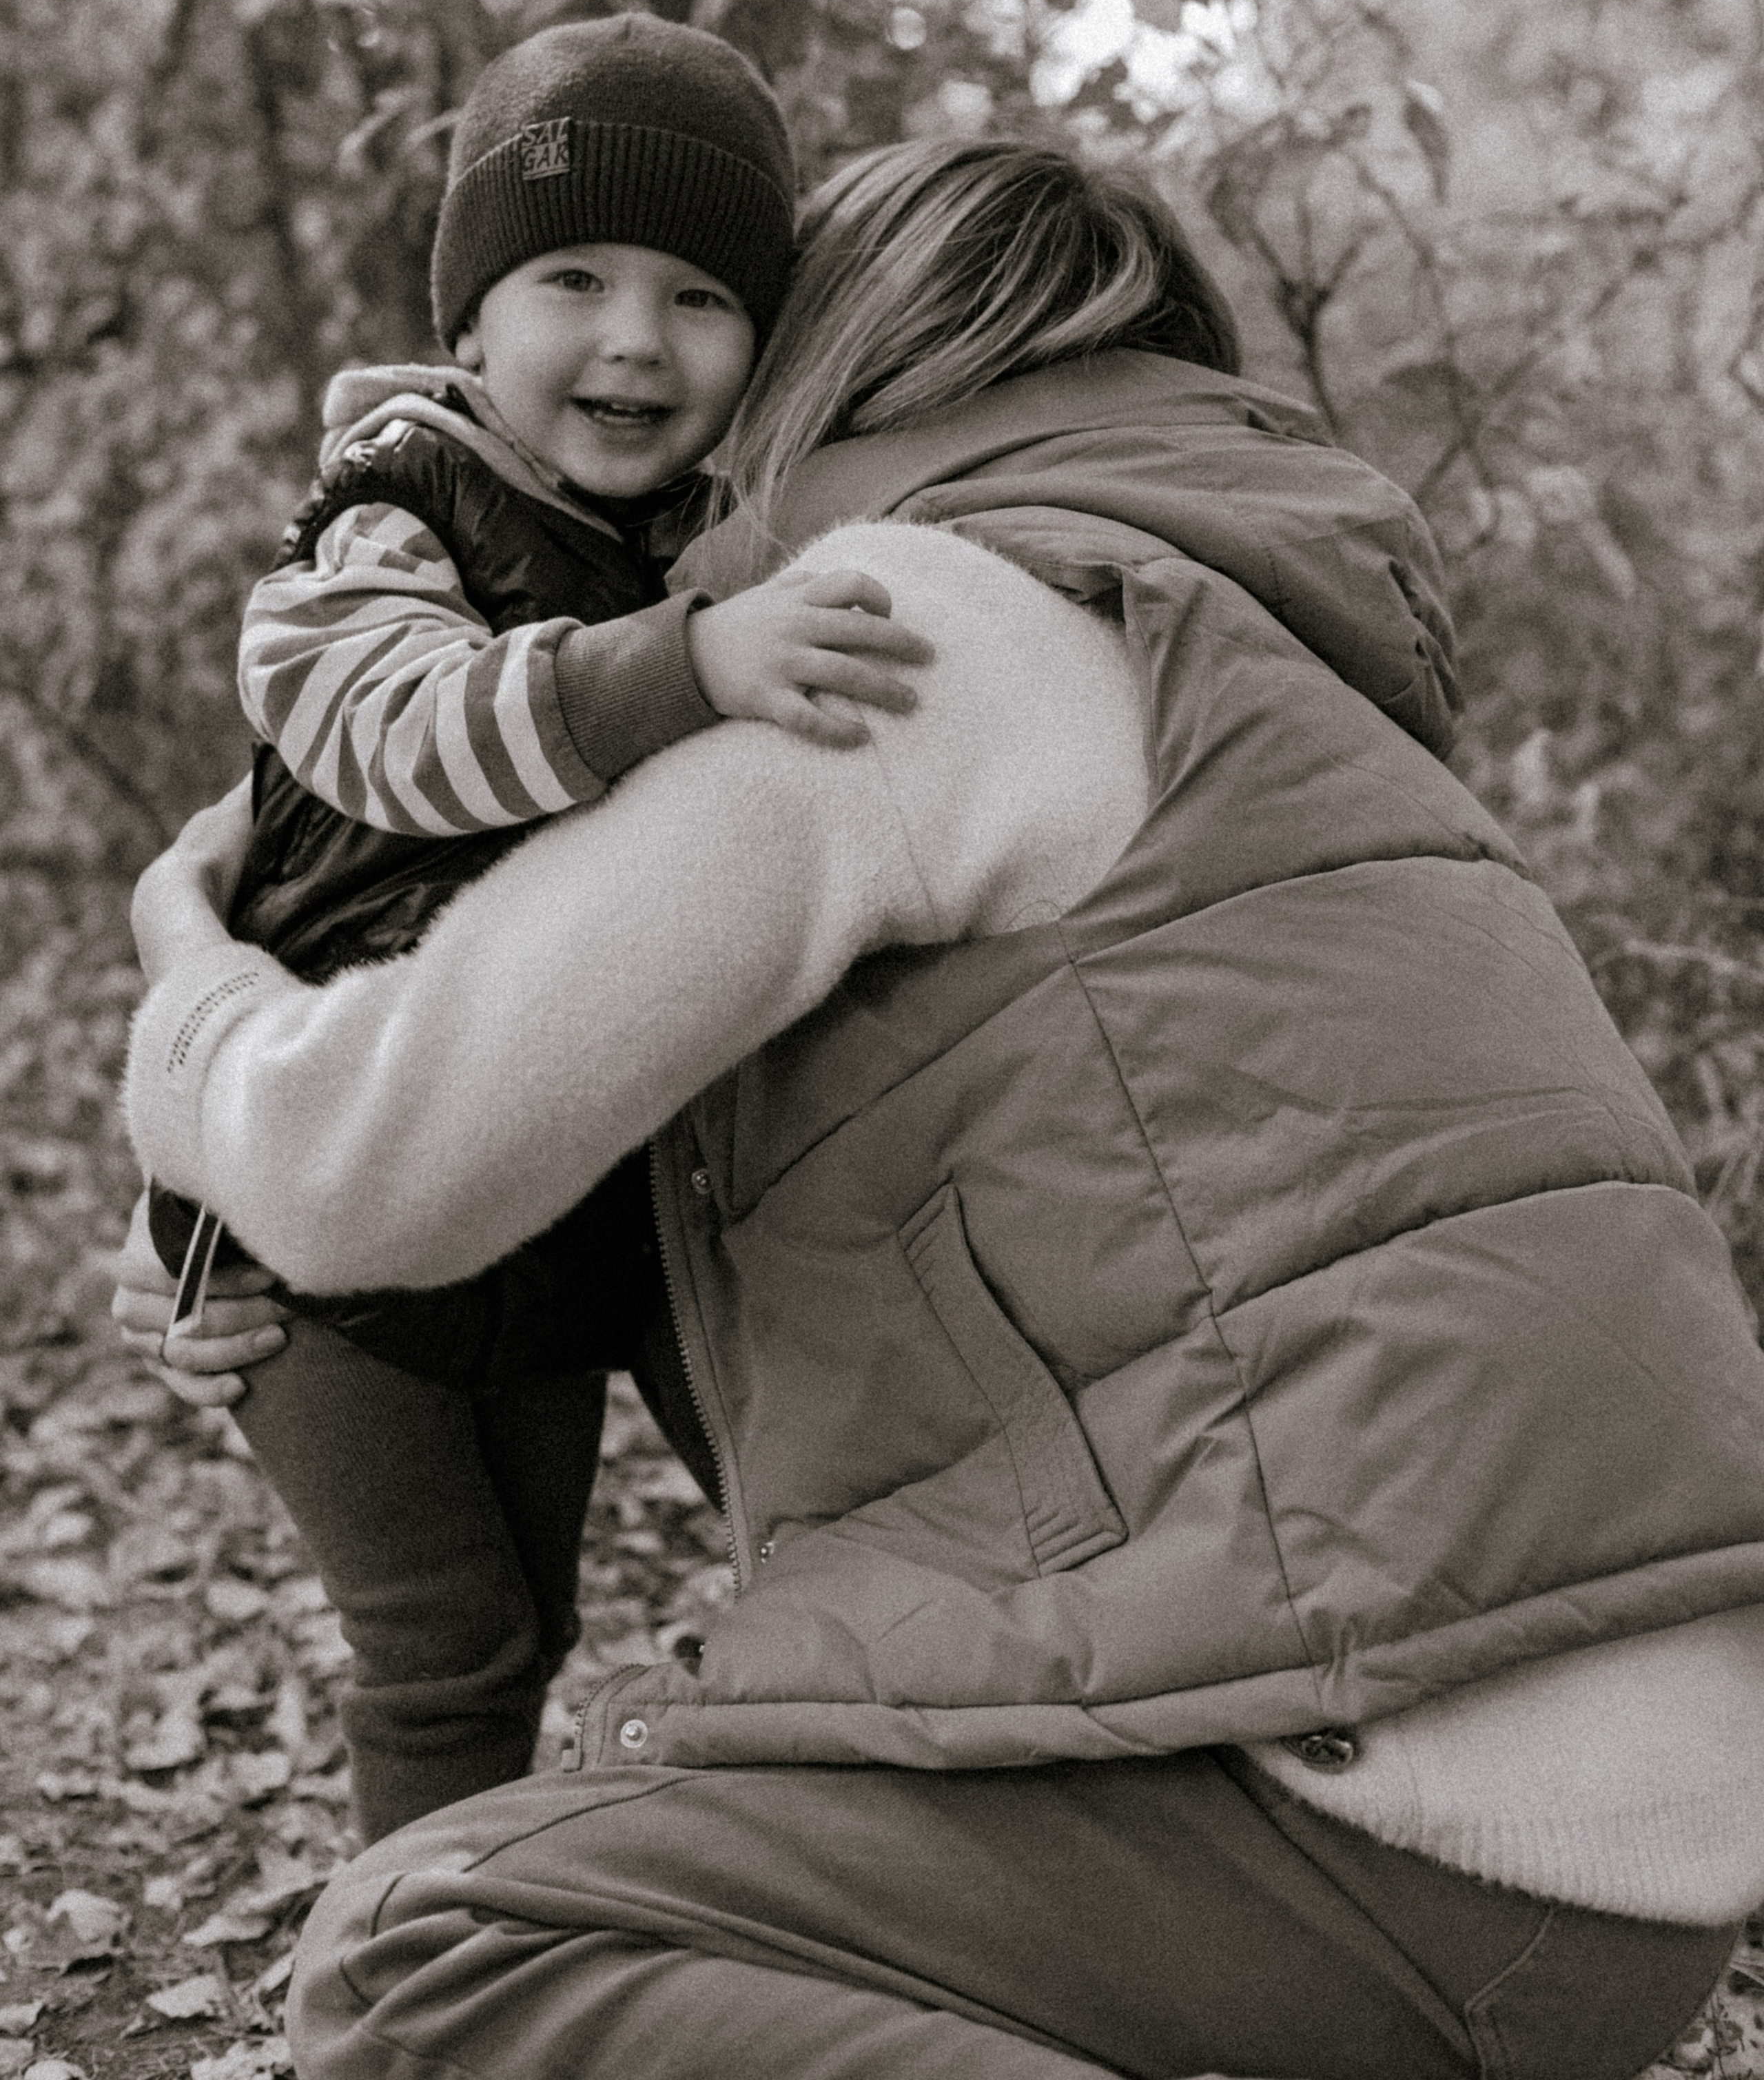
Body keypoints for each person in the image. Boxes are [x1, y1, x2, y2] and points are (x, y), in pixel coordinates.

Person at [115, 138, 1764, 2080]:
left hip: (1365, 1812)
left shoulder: (914, 628)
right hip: (1636, 1845)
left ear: (825, 369)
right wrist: (203, 1243)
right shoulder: (1276, 688)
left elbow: (358, 1157)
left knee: (428, 1951)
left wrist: (184, 981)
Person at [134, 16, 931, 1846]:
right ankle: (404, 1993)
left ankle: (502, 1929)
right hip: (316, 1237)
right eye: (573, 275)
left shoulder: (710, 549)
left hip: (544, 1213)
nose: (637, 337)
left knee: (536, 1615)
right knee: (446, 1642)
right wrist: (686, 667)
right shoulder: (384, 524)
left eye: (700, 299)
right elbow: (386, 730)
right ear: (471, 323)